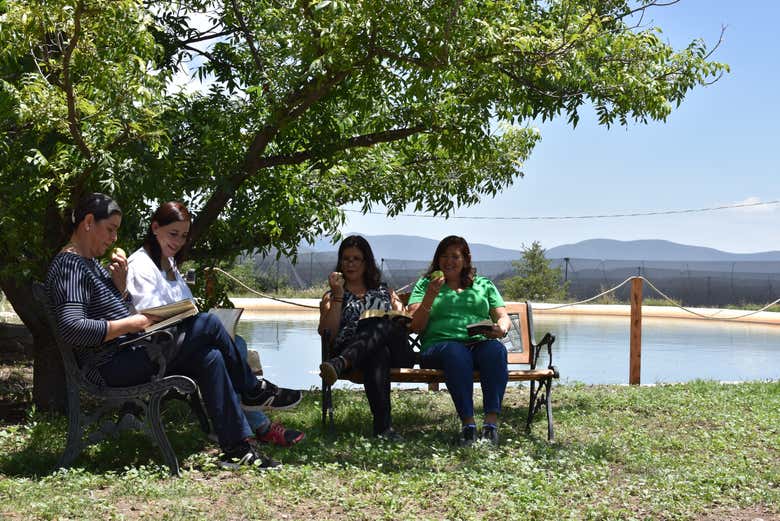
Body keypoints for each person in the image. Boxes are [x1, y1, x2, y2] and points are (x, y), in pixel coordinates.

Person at [45, 193, 278, 468]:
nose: (114, 238)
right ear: (87, 222)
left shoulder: (90, 264)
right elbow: (73, 328)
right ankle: (252, 389)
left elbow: (113, 310)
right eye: (110, 229)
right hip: (108, 365)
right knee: (208, 324)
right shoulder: (70, 266)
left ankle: (238, 447)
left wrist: (120, 287)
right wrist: (134, 323)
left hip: (129, 353)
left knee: (210, 356)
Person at [125, 201, 304, 447]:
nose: (178, 242)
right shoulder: (140, 264)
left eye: (184, 236)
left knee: (221, 350)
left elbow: (183, 305)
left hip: (177, 343)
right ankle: (255, 400)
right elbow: (150, 315)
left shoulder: (170, 264)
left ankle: (238, 436)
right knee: (216, 330)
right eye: (173, 234)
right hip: (155, 349)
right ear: (155, 227)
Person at [407, 235, 511, 446]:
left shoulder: (483, 284)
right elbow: (415, 325)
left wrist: (500, 328)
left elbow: (503, 316)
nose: (448, 261)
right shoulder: (425, 284)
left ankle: (490, 425)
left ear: (466, 259)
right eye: (443, 256)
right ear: (437, 260)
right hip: (438, 348)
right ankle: (469, 426)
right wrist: (431, 294)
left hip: (477, 344)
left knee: (496, 351)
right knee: (456, 352)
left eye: (455, 256)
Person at [318, 235, 414, 440]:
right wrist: (337, 296)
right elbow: (327, 332)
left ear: (366, 262)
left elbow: (405, 320)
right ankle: (383, 428)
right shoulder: (333, 294)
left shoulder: (386, 292)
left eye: (356, 259)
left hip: (397, 352)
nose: (350, 264)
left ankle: (340, 363)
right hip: (361, 355)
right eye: (346, 259)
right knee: (376, 351)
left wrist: (391, 318)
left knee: (378, 322)